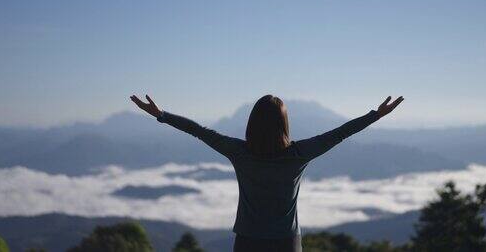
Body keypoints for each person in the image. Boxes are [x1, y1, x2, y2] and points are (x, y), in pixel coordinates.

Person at [130, 93, 404, 252]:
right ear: (284, 124)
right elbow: (340, 133)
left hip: (248, 241)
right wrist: (375, 115)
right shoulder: (299, 154)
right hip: (287, 243)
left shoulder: (239, 152)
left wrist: (162, 114)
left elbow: (199, 131)